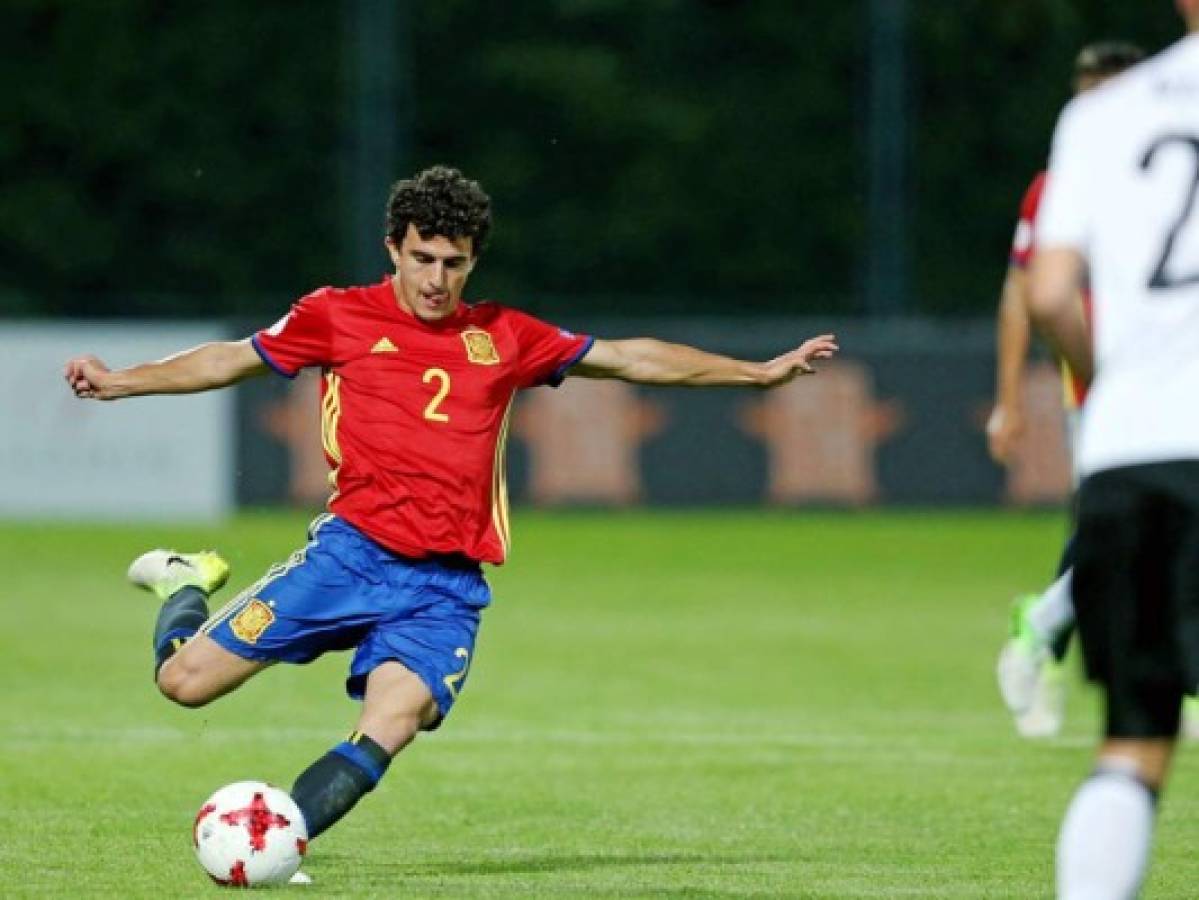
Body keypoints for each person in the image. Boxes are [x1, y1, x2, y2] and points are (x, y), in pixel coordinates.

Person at [64, 165, 839, 881]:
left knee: (391, 721)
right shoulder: (335, 316)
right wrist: (121, 383)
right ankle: (184, 579)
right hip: (349, 559)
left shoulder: (504, 335)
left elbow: (631, 358)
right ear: (393, 250)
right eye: (423, 257)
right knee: (184, 684)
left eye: (454, 263)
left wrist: (759, 373)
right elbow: (231, 358)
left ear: (472, 263)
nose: (437, 278)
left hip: (441, 589)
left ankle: (279, 841)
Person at [1029, 4, 1199, 895]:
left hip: (1132, 447)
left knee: (1134, 738)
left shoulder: (1102, 112)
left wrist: (1117, 386)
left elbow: (1052, 292)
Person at [988, 41, 1145, 738]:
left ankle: (1047, 624)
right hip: (1103, 382)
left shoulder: (1170, 171)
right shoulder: (1059, 187)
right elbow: (1024, 294)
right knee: (1127, 526)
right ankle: (1045, 627)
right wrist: (1010, 399)